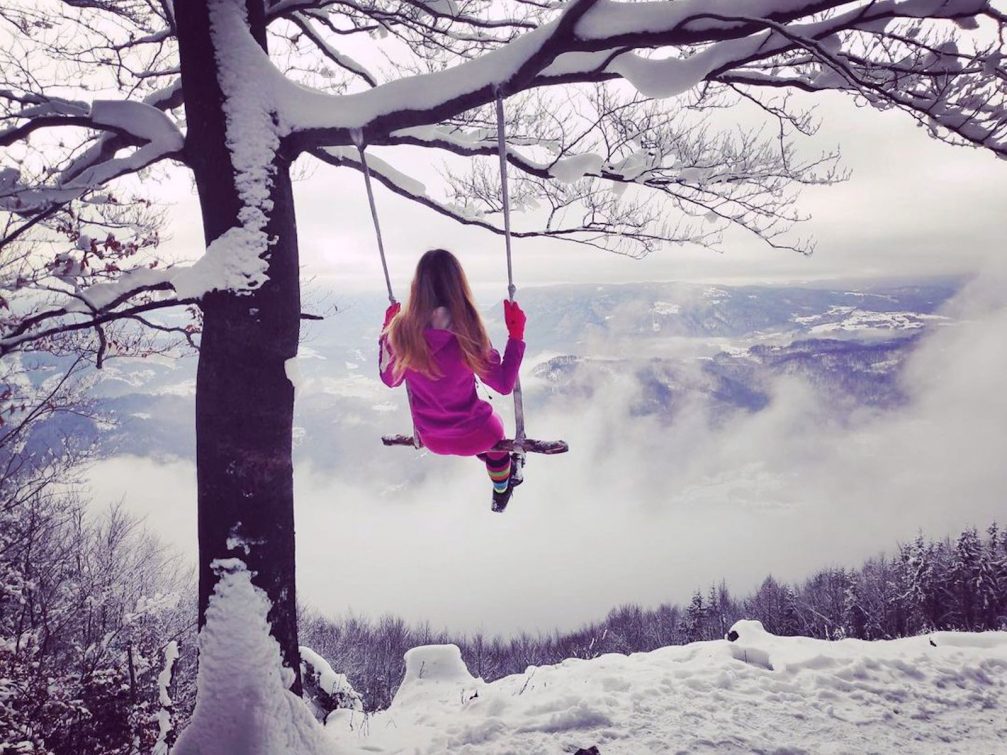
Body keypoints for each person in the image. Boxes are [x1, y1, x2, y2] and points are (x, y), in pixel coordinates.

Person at [378, 249, 526, 511]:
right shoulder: (468, 332)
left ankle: (496, 472)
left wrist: (387, 334)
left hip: (431, 437)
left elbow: (390, 379)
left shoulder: (402, 333)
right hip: (478, 435)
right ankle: (501, 489)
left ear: (417, 286)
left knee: (484, 435)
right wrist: (515, 336)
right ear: (459, 286)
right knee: (495, 435)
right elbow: (503, 385)